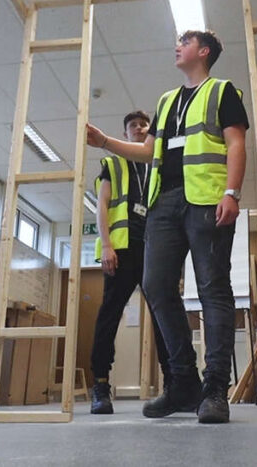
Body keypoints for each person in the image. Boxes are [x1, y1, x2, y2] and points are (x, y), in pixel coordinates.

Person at [86, 29, 248, 424]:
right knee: (157, 285)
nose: (177, 46)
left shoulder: (223, 91)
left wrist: (232, 192)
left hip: (207, 199)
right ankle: (183, 382)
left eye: (185, 42)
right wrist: (105, 140)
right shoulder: (167, 100)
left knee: (213, 289)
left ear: (204, 51)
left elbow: (236, 144)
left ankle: (214, 390)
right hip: (164, 204)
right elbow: (148, 151)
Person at [89, 110, 170, 415]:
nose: (138, 128)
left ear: (149, 132)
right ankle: (100, 385)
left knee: (165, 318)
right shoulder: (112, 163)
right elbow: (102, 206)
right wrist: (107, 245)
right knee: (109, 316)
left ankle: (175, 382)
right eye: (133, 126)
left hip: (154, 250)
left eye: (143, 125)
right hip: (121, 252)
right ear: (125, 134)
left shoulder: (158, 165)